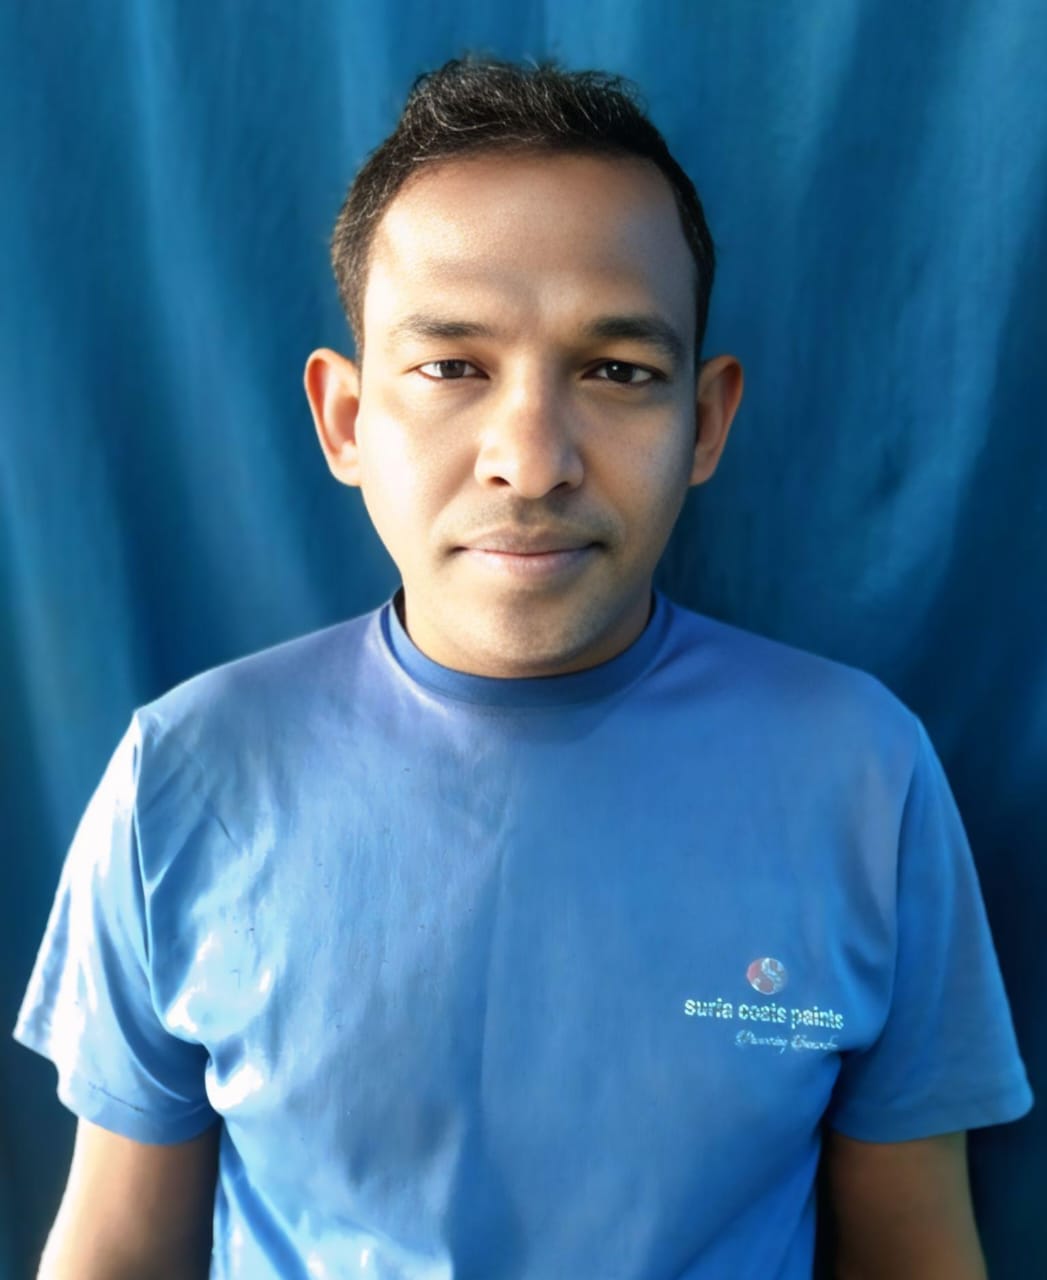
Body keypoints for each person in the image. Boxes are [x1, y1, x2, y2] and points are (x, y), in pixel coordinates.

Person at [14, 56, 1032, 1280]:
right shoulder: (186, 773)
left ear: (705, 421)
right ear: (345, 419)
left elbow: (916, 1251)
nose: (532, 458)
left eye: (617, 371)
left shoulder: (863, 773)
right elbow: (117, 1246)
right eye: (453, 367)